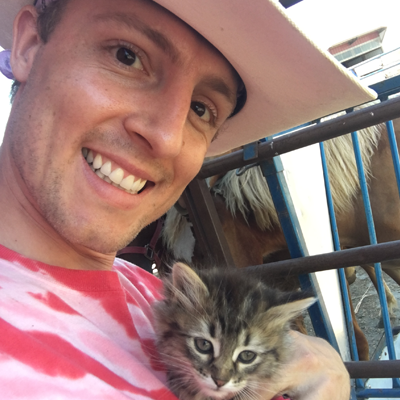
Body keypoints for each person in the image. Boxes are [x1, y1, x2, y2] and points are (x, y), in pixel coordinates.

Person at [0, 0, 375, 398]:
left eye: (201, 108)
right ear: (28, 45)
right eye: (127, 56)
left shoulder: (155, 291)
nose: (167, 138)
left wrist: (330, 372)